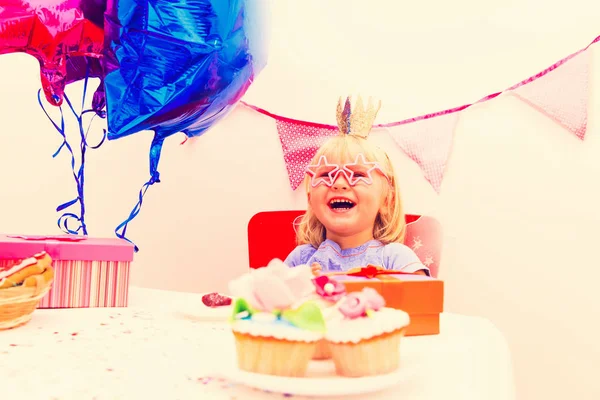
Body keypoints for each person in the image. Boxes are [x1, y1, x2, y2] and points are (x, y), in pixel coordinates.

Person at [284, 96, 429, 276]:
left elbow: (423, 300)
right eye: (327, 175)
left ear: (387, 200)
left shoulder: (395, 258)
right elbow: (271, 301)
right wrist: (300, 284)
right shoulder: (300, 260)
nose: (338, 183)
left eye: (358, 175)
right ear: (310, 199)